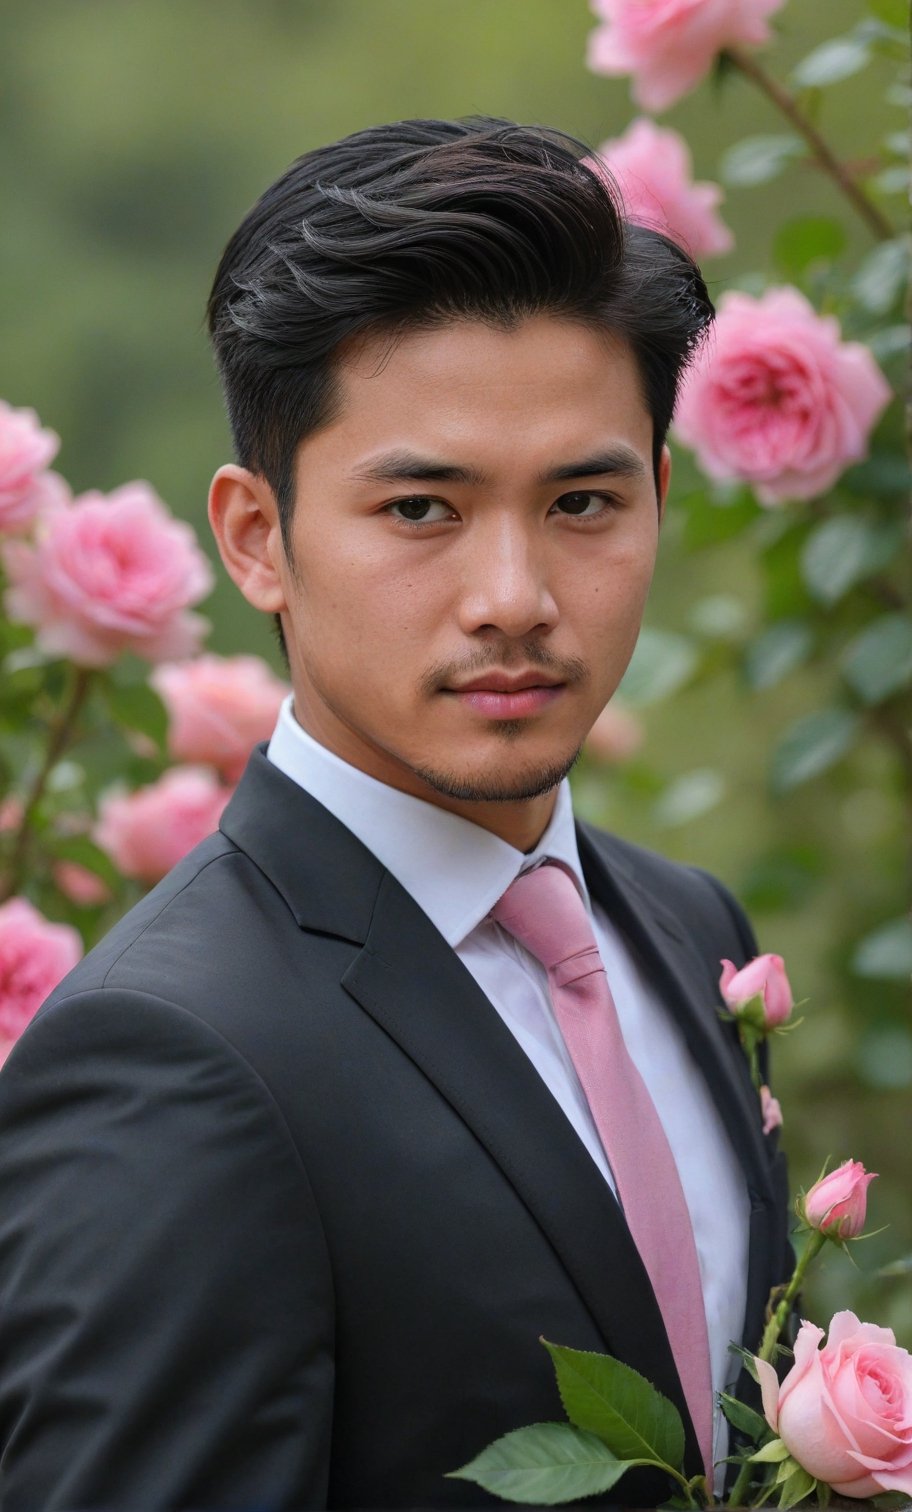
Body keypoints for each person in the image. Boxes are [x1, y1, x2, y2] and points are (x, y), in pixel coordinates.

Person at [0, 117, 792, 1510]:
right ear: (258, 538)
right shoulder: (171, 1060)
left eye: (583, 501)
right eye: (423, 508)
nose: (515, 596)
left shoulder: (685, 928)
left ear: (660, 497)